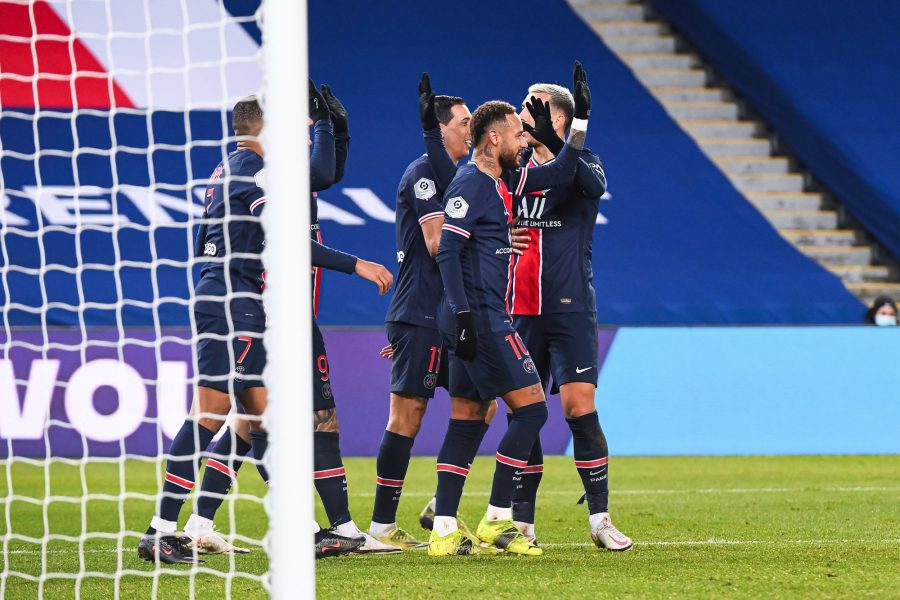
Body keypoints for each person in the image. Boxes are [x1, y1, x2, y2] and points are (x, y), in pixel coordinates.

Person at [137, 91, 393, 564]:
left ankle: (169, 528)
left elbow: (204, 239)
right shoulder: (256, 172)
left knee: (239, 416)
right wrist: (356, 264)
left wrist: (332, 129)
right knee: (235, 417)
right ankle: (178, 528)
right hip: (241, 307)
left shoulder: (222, 170)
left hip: (216, 297)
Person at [426, 63, 590, 557]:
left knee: (468, 420)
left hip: (472, 316)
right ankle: (498, 518)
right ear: (494, 139)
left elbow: (563, 172)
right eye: (519, 134)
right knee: (534, 410)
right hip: (478, 316)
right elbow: (448, 251)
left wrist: (577, 121)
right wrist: (461, 316)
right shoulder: (473, 183)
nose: (525, 141)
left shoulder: (505, 182)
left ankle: (443, 532)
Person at [368, 91, 499, 549]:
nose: (469, 129)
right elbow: (435, 242)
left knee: (483, 405)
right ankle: (381, 527)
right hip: (420, 310)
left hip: (445, 315)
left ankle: (440, 504)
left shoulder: (463, 177)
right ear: (441, 129)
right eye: (463, 122)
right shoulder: (424, 173)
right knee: (408, 416)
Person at [507, 72, 632, 551]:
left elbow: (590, 187)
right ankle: (522, 524)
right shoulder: (511, 170)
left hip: (571, 307)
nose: (523, 114)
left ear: (556, 116)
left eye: (532, 106)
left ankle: (600, 519)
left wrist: (564, 138)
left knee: (580, 409)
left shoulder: (586, 164)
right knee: (527, 413)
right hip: (518, 311)